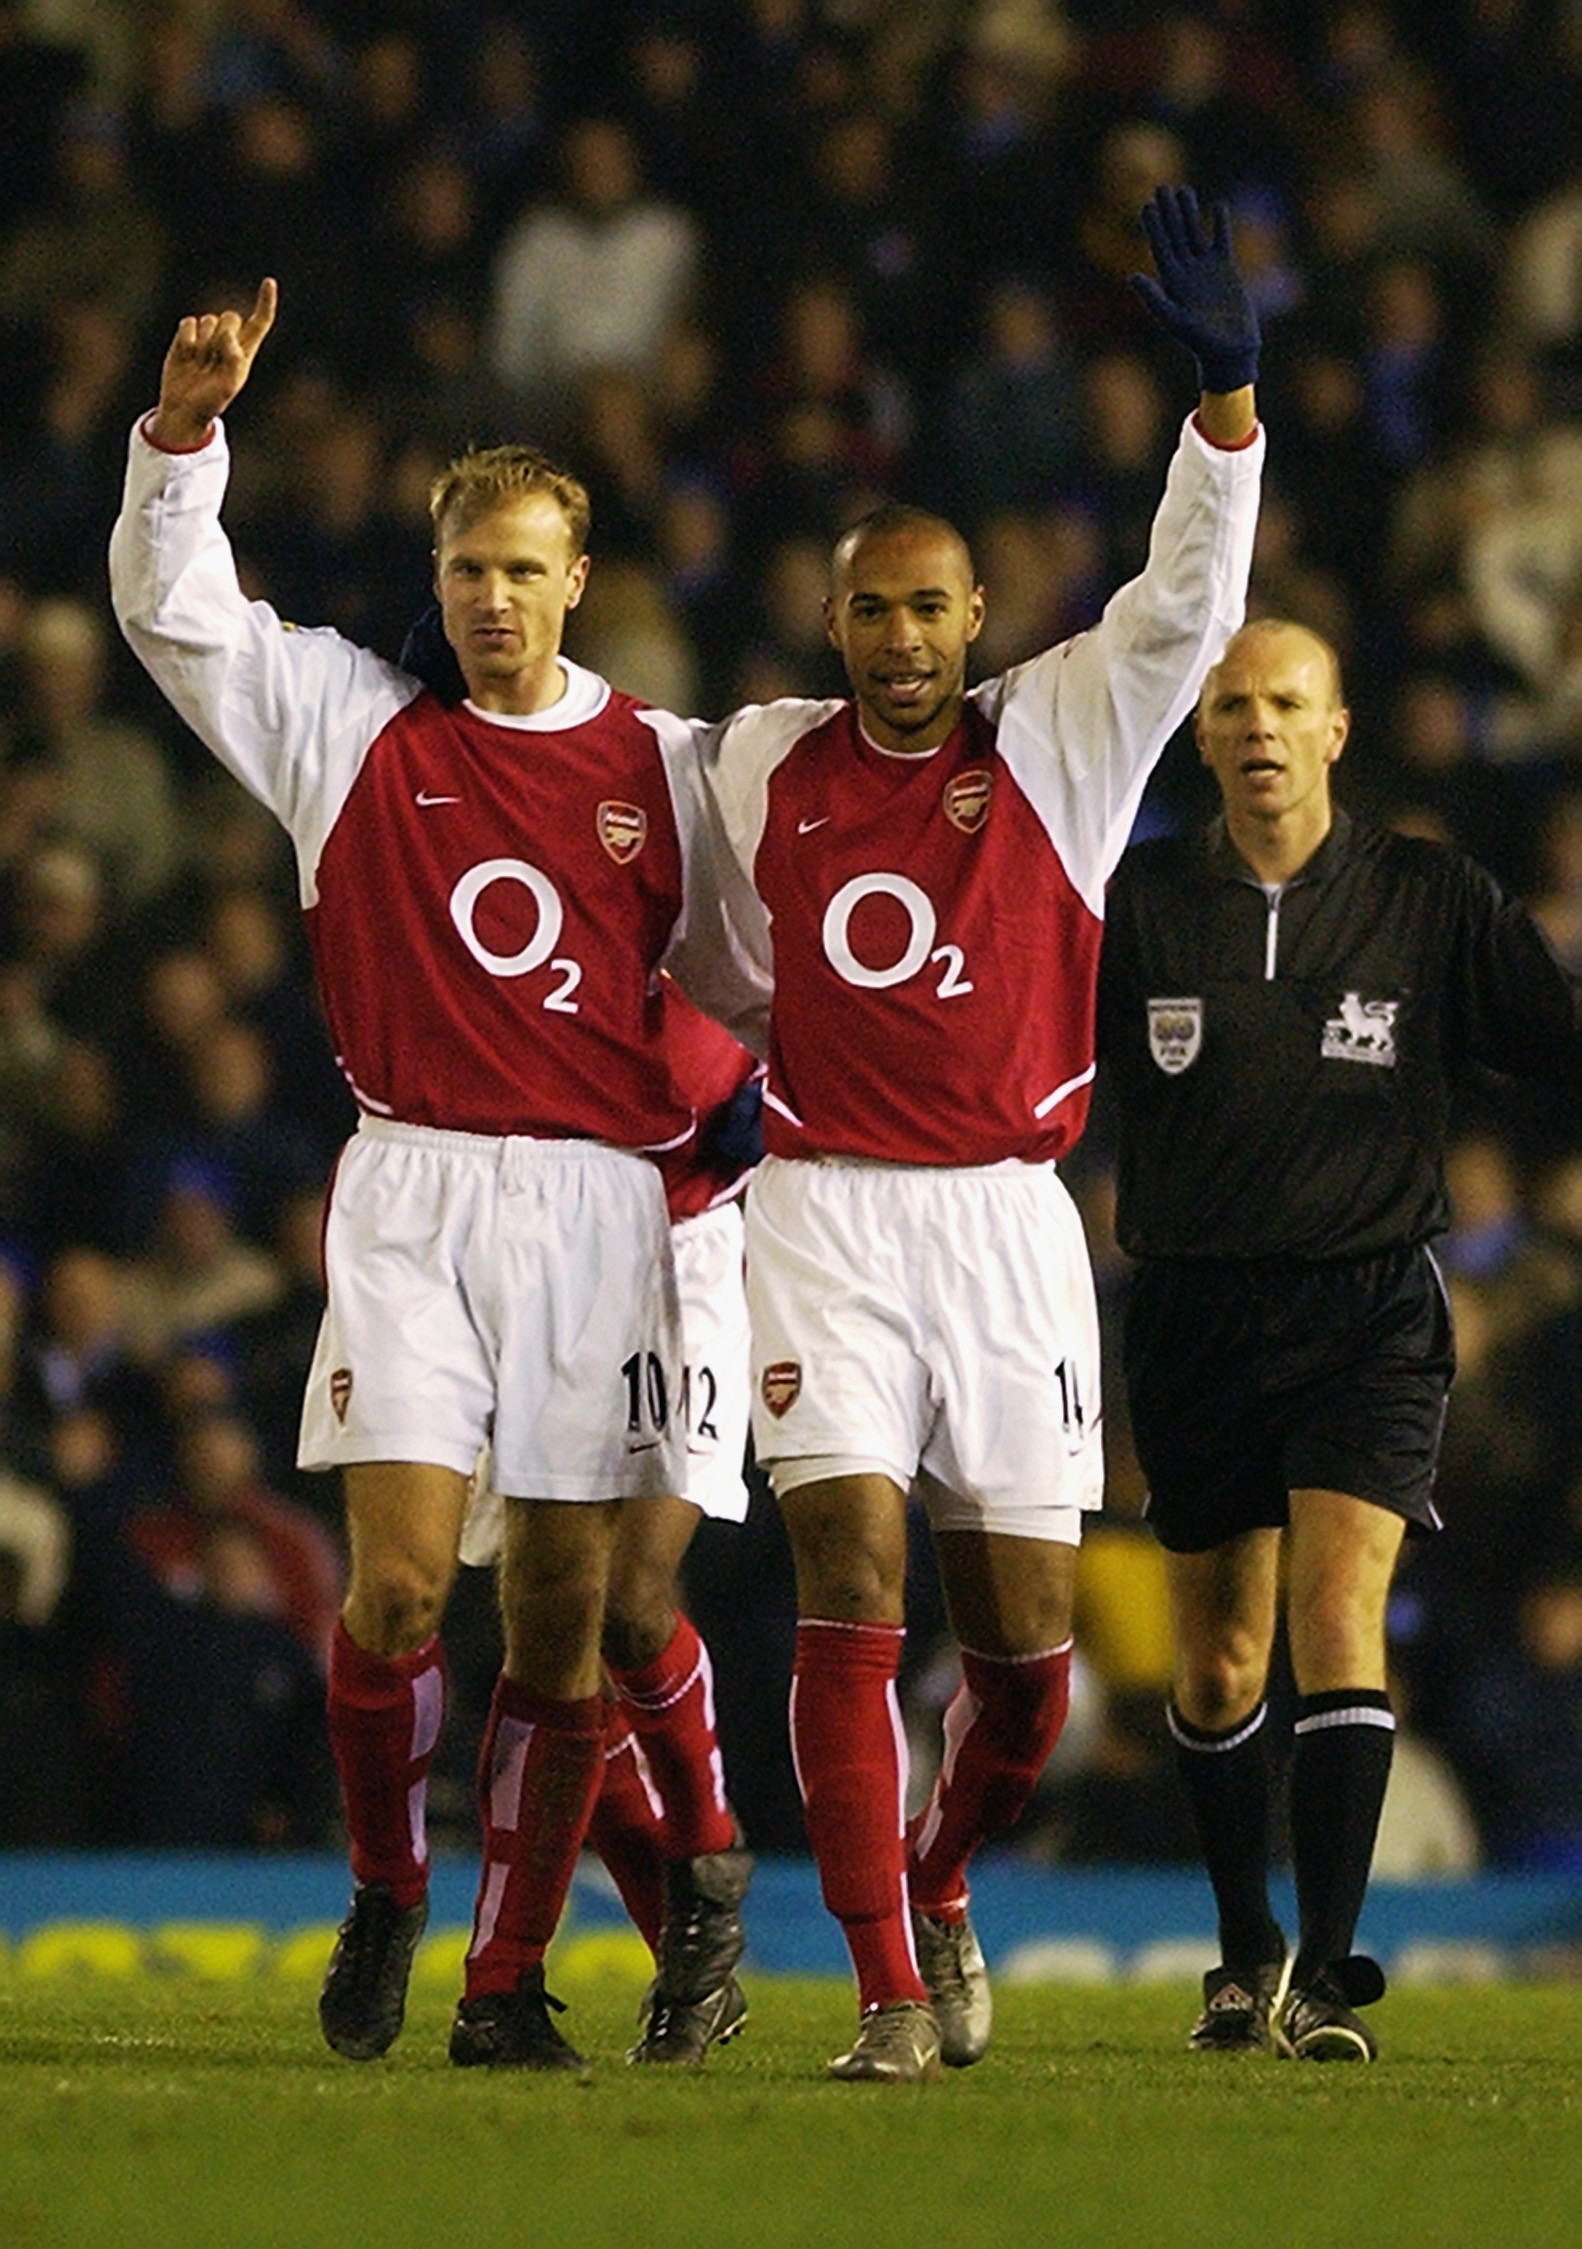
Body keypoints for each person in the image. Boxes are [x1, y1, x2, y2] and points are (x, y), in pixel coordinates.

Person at [109, 276, 763, 2073]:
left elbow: (744, 990)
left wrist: (722, 1115)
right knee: (396, 1587)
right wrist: (185, 437)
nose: (489, 596)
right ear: (442, 567)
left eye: (522, 567)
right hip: (406, 1192)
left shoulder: (668, 767)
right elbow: (175, 614)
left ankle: (502, 1980)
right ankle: (390, 1884)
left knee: (557, 1629)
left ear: (576, 577)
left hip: (597, 1213)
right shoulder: (350, 723)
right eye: (465, 565)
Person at [687, 184, 1265, 2082]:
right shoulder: (761, 758)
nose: (902, 637)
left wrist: (1224, 411)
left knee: (1026, 1665)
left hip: (1011, 1224)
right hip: (825, 1218)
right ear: (832, 618)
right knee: (845, 1578)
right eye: (871, 606)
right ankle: (880, 1988)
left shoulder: (1060, 741)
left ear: (974, 617)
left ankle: (942, 1867)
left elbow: (1187, 606)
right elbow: (660, 900)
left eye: (930, 606)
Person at [1095, 616, 1582, 2062]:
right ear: (1202, 735)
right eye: (1231, 705)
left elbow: (1553, 1038)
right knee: (1219, 1662)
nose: (1255, 727)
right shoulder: (1140, 901)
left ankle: (1323, 1964)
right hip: (1191, 1312)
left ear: (1335, 729)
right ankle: (1241, 1948)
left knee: (1333, 1616)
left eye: (1283, 703)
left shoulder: (1428, 897)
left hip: (1365, 1309)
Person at [458, 974, 762, 2064]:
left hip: (689, 1248)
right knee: (556, 1634)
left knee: (633, 1609)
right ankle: (666, 1954)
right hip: (540, 1250)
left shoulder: (712, 839)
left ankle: (708, 1865)